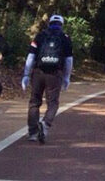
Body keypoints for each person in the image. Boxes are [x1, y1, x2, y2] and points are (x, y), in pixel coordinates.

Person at [22, 14, 73, 144]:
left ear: (49, 23)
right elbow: (68, 60)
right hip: (55, 74)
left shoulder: (40, 36)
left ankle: (32, 132)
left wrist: (26, 75)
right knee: (53, 102)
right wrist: (67, 77)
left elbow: (30, 57)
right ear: (61, 24)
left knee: (34, 101)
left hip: (38, 72)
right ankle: (45, 124)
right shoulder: (65, 38)